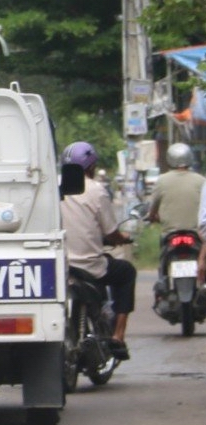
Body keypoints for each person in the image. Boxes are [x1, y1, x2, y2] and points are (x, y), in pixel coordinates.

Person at [60, 141, 135, 359]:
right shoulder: (96, 190)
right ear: (91, 167)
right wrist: (123, 239)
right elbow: (111, 232)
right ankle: (118, 336)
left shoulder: (54, 186)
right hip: (90, 267)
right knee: (126, 272)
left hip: (60, 265)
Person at [148, 142, 204, 233]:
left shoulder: (162, 180)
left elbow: (153, 209)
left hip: (170, 233)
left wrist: (151, 217)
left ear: (169, 159)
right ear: (190, 158)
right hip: (196, 233)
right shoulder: (201, 180)